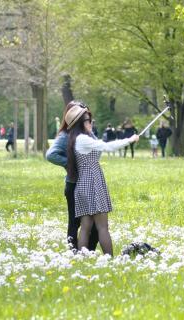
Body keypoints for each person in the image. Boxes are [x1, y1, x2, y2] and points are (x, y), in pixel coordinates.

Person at [65, 104, 139, 255]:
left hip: (84, 185)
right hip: (92, 183)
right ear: (80, 123)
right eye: (87, 120)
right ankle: (109, 260)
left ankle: (82, 259)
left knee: (85, 226)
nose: (90, 122)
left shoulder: (79, 138)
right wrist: (130, 140)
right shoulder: (83, 140)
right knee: (102, 226)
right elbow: (107, 147)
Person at [46, 101, 99, 251]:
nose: (86, 119)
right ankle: (73, 253)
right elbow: (51, 155)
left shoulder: (85, 133)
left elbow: (97, 150)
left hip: (89, 184)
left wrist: (89, 130)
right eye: (83, 116)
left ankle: (89, 252)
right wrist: (71, 164)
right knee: (75, 223)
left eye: (87, 116)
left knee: (95, 224)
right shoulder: (65, 135)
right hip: (74, 185)